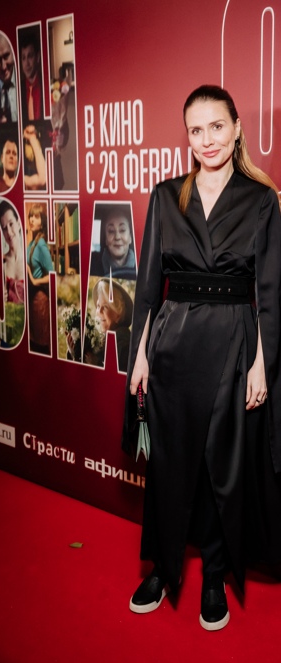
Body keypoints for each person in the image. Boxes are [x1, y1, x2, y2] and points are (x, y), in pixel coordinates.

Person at [123, 85, 281, 631]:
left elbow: (270, 293)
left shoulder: (262, 200)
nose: (207, 139)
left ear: (236, 129)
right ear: (187, 137)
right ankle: (162, 568)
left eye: (217, 126)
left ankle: (214, 574)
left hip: (235, 344)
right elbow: (148, 287)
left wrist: (262, 364)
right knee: (169, 465)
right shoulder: (166, 196)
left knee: (221, 467)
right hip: (172, 346)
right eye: (196, 130)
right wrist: (140, 357)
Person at [27, 204, 53, 354]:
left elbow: (52, 274)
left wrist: (34, 280)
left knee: (41, 346)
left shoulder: (41, 244)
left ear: (42, 222)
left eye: (36, 217)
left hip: (40, 300)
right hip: (31, 299)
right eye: (30, 216)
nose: (31, 219)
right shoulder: (32, 243)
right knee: (33, 345)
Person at [94, 279, 132, 372]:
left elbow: (114, 379)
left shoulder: (126, 347)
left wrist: (96, 364)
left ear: (118, 314)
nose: (99, 311)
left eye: (105, 306)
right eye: (98, 306)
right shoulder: (99, 340)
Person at [90, 213, 137, 279]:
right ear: (106, 240)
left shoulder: (143, 266)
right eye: (111, 231)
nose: (117, 237)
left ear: (130, 238)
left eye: (122, 230)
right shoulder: (91, 266)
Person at [0, 201, 24, 304]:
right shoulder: (0, 262)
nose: (8, 232)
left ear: (18, 223)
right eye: (4, 228)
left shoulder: (30, 260)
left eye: (11, 224)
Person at [19, 30, 43, 122]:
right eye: (23, 58)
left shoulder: (47, 86)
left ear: (38, 57)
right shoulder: (18, 90)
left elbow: (64, 125)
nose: (26, 63)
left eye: (30, 56)